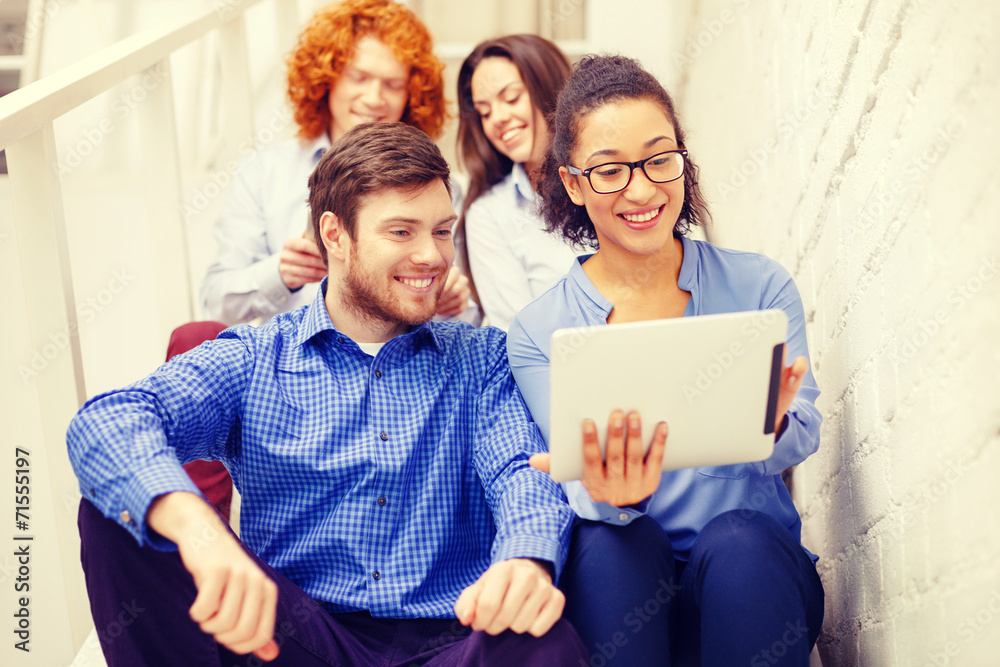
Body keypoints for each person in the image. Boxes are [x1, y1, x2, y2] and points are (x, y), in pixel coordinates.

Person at [69, 122, 587, 666]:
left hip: (452, 642)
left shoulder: (483, 358)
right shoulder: (253, 356)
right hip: (293, 639)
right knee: (118, 517)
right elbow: (110, 421)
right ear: (336, 236)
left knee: (543, 639)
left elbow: (521, 474)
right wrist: (200, 529)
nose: (432, 256)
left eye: (441, 231)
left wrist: (525, 560)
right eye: (402, 232)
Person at [506, 55, 825, 665]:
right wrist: (615, 496)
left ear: (682, 158)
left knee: (738, 540)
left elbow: (803, 429)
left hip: (755, 586)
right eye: (610, 171)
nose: (643, 189)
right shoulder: (539, 330)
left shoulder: (758, 285)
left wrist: (771, 423)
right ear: (572, 184)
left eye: (659, 159)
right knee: (607, 541)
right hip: (626, 593)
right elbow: (580, 485)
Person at [200, 0, 470, 326]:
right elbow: (215, 305)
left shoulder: (440, 188)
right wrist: (281, 274)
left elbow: (467, 316)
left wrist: (448, 302)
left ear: (412, 94)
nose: (374, 98)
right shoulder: (264, 173)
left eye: (393, 85)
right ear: (327, 77)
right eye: (359, 77)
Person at [456, 35, 582, 330]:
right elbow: (519, 337)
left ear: (553, 91)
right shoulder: (490, 214)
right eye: (484, 112)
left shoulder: (610, 178)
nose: (498, 118)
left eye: (511, 98)